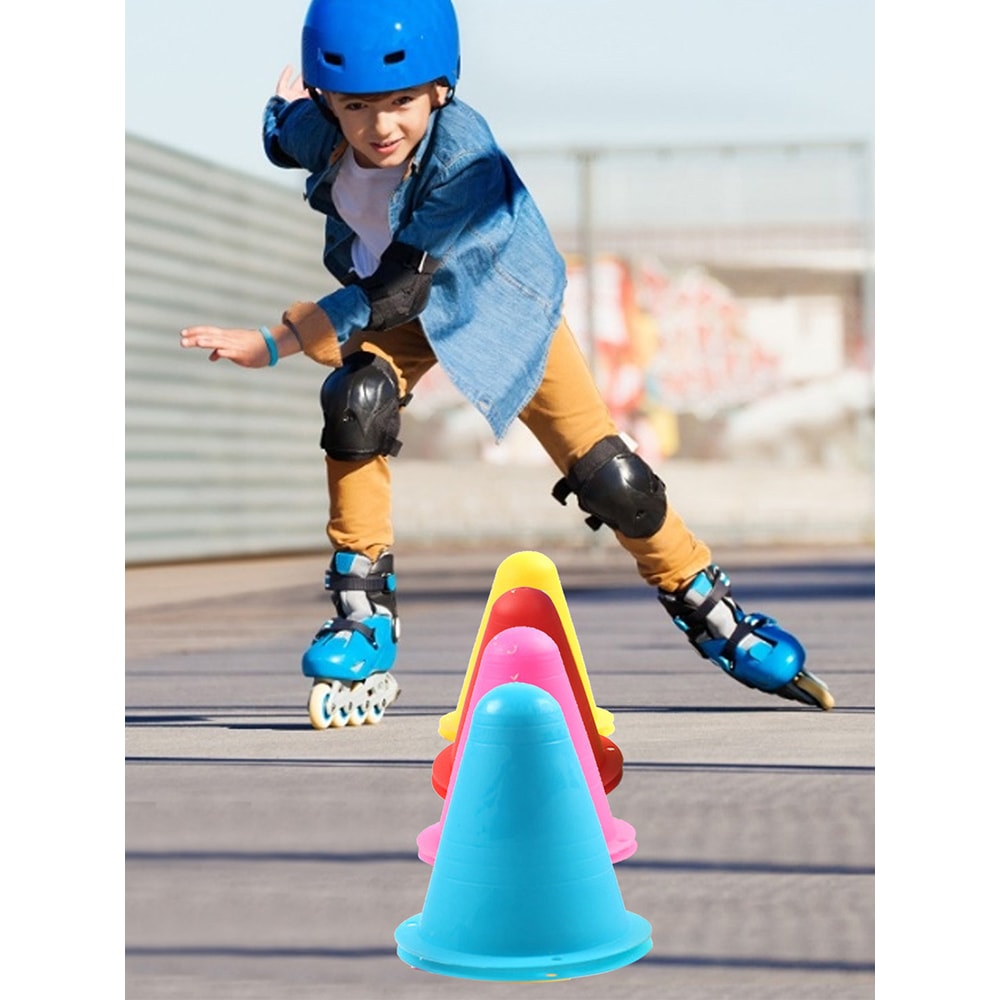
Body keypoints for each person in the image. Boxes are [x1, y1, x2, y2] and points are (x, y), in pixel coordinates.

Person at [180, 0, 835, 728]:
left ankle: (711, 609)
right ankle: (362, 614)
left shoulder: (468, 155)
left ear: (441, 89)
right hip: (401, 314)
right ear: (329, 101)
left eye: (403, 101)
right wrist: (280, 113)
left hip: (498, 308)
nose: (381, 127)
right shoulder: (327, 132)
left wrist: (275, 341)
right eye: (358, 106)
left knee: (611, 479)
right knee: (356, 399)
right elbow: (286, 138)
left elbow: (400, 281)